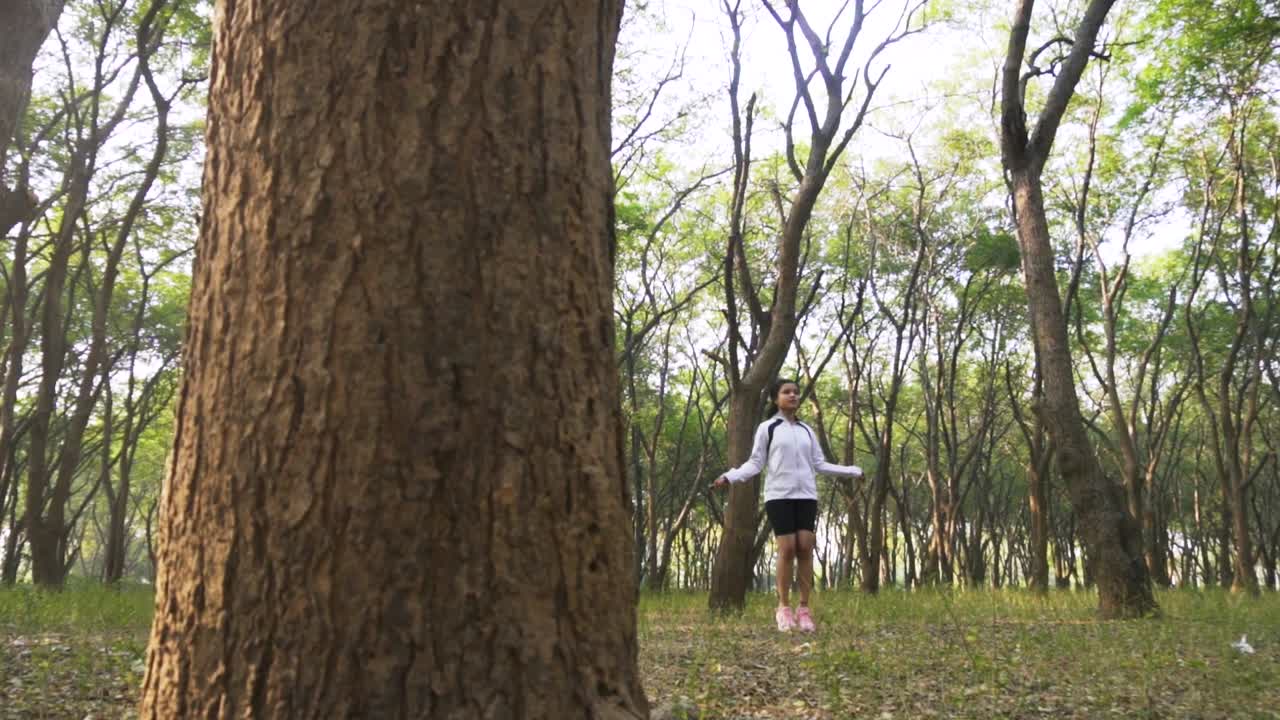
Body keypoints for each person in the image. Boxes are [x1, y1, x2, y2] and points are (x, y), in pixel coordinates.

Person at [713, 378, 863, 633]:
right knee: (787, 548)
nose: (793, 395)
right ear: (775, 398)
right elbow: (755, 463)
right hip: (778, 496)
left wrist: (852, 471)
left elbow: (820, 464)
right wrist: (730, 476)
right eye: (786, 392)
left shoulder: (806, 430)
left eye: (795, 392)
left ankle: (804, 609)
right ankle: (783, 608)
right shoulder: (768, 428)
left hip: (806, 495)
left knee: (805, 547)